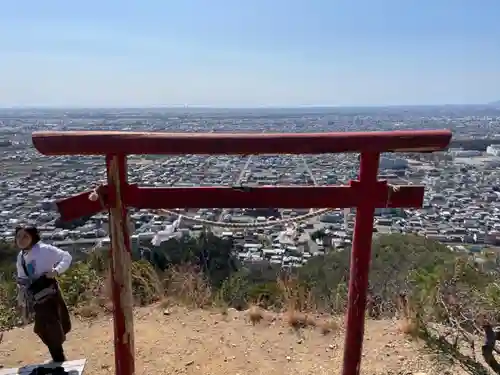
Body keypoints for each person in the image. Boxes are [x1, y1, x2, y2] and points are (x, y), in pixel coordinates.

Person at [15, 225, 73, 363]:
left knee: (49, 326)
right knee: (45, 327)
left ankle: (58, 359)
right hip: (35, 296)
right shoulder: (21, 256)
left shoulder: (44, 250)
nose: (21, 240)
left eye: (25, 236)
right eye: (18, 237)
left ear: (33, 237)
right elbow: (22, 277)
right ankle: (58, 357)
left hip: (49, 293)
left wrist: (57, 270)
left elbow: (66, 256)